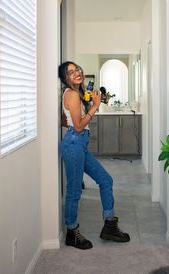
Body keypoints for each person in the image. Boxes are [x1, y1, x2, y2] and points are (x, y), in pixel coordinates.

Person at [58, 61, 130, 250]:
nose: (76, 73)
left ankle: (109, 226)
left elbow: (69, 121)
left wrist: (92, 102)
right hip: (74, 144)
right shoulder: (72, 94)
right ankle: (72, 233)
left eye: (77, 69)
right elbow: (79, 126)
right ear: (65, 78)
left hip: (79, 144)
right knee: (74, 191)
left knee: (106, 180)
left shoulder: (78, 94)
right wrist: (95, 106)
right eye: (70, 72)